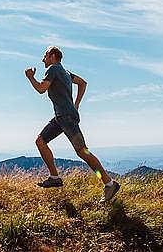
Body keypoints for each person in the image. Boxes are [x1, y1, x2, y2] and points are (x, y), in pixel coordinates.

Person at [25, 46, 120, 203]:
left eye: (45, 56)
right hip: (61, 117)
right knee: (40, 141)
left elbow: (42, 89)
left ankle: (109, 183)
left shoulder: (53, 69)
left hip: (66, 118)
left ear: (53, 56)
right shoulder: (66, 73)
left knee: (82, 151)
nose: (43, 59)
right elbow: (83, 83)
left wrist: (30, 77)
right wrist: (76, 104)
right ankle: (54, 177)